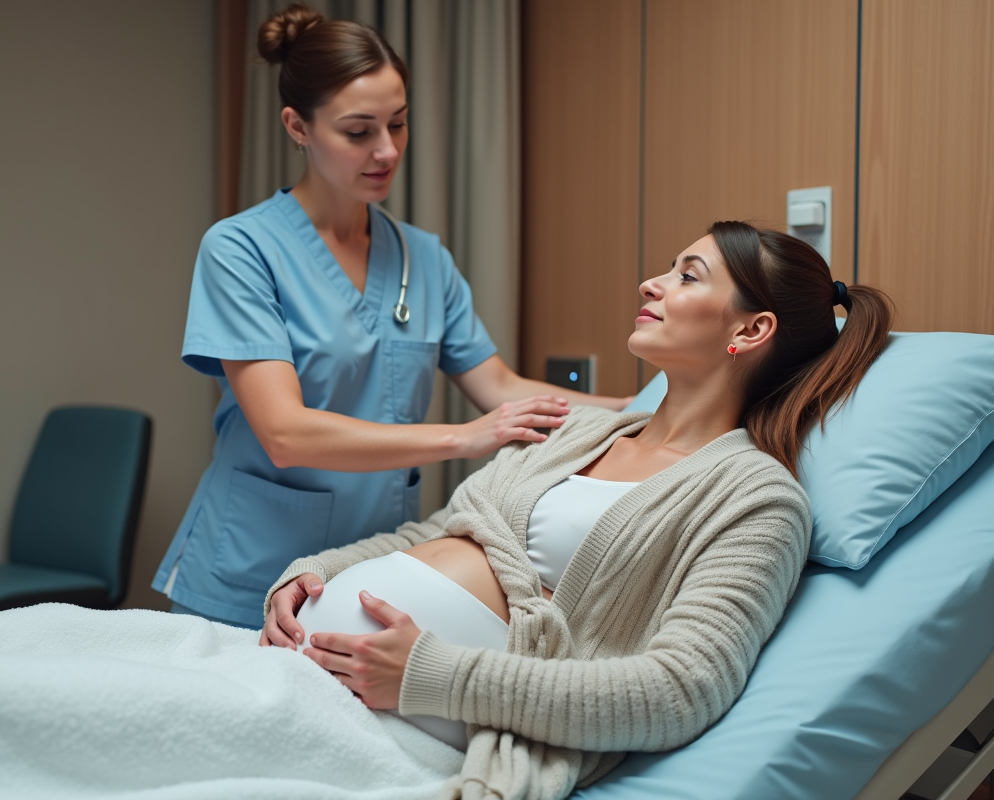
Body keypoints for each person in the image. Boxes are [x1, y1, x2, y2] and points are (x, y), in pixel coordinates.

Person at [260, 221, 894, 797]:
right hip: (319, 664)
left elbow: (681, 689)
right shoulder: (582, 432)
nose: (652, 282)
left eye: (687, 276)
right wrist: (314, 571)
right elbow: (438, 533)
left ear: (750, 329)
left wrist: (435, 676)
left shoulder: (755, 498)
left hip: (419, 709)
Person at [153, 4, 629, 628]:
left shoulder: (423, 258)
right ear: (297, 126)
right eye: (358, 132)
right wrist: (465, 437)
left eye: (399, 125)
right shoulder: (242, 250)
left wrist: (646, 407)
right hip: (247, 568)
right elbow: (285, 432)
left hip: (360, 568)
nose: (386, 151)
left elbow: (503, 389)